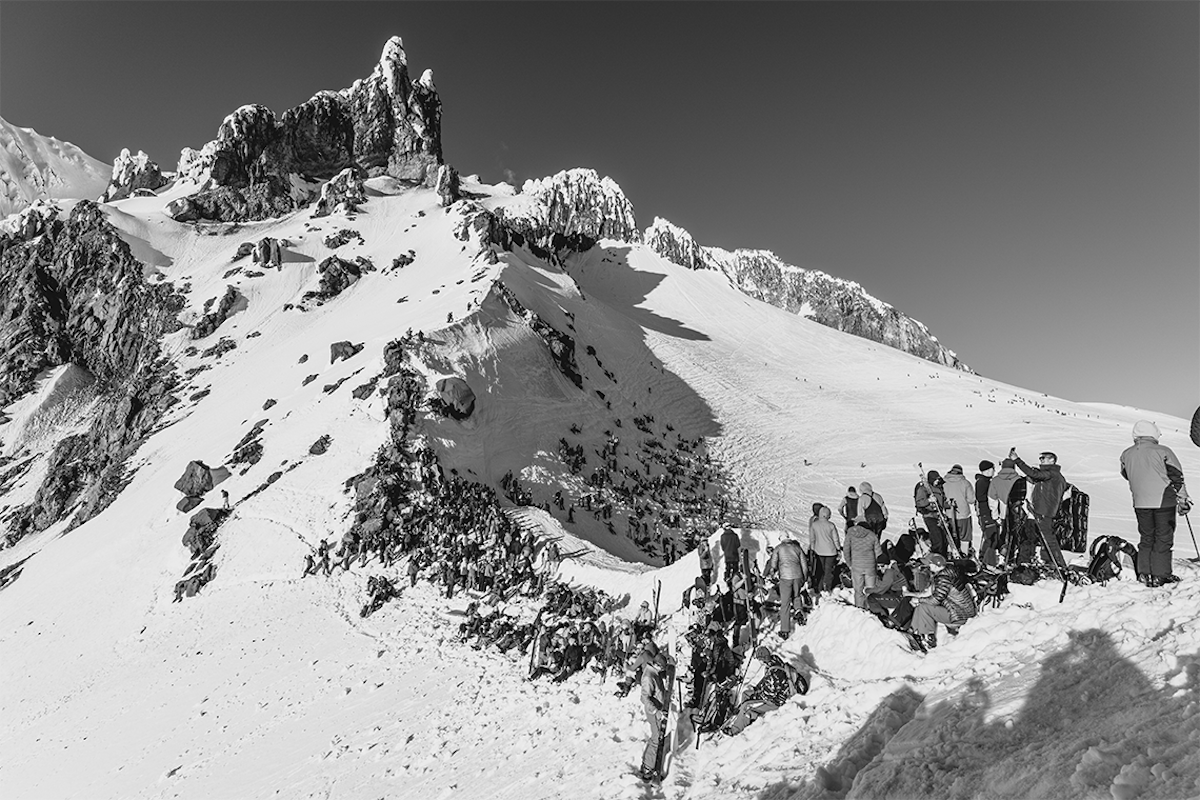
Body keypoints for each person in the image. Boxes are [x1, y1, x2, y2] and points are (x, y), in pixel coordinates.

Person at [1120, 420, 1189, 586]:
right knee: (1163, 538)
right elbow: (1176, 477)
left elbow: (1126, 474)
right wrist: (1183, 499)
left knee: (1146, 537)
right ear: (1153, 433)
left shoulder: (1126, 454)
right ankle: (1161, 574)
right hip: (1163, 501)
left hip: (1140, 503)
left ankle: (1144, 573)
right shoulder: (1163, 451)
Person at [721, 646, 807, 735]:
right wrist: (756, 691)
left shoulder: (775, 673)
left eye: (760, 659)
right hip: (771, 693)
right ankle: (742, 715)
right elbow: (766, 683)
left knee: (747, 706)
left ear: (764, 658)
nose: (760, 662)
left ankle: (735, 729)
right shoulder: (774, 661)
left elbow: (768, 695)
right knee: (746, 694)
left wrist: (754, 697)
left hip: (775, 701)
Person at [904, 553, 977, 652]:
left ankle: (928, 638)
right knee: (922, 605)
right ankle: (915, 631)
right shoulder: (949, 572)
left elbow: (936, 600)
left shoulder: (944, 578)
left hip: (959, 614)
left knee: (925, 607)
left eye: (931, 564)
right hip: (961, 610)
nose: (929, 566)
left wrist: (919, 599)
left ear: (936, 566)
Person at [1009, 448, 1068, 570]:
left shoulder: (1051, 474)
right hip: (1040, 512)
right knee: (1031, 537)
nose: (1040, 461)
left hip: (1043, 513)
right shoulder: (1054, 476)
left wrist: (1017, 460)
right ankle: (1026, 561)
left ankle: (1060, 565)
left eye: (1043, 458)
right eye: (1040, 458)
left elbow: (1033, 474)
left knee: (1048, 540)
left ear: (1052, 460)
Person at [638, 645, 672, 781]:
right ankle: (648, 767)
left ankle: (648, 763)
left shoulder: (654, 673)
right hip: (654, 712)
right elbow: (645, 698)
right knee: (656, 739)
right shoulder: (648, 677)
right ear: (657, 665)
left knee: (656, 738)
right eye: (662, 668)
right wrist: (657, 712)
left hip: (657, 710)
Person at [764, 534, 807, 638]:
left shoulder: (778, 548)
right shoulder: (797, 548)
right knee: (796, 595)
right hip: (798, 576)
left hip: (785, 578)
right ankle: (799, 611)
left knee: (785, 603)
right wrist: (803, 578)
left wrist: (771, 574)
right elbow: (804, 565)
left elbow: (773, 564)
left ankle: (785, 630)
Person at [865, 560, 913, 629]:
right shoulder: (895, 568)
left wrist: (867, 590)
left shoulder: (889, 572)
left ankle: (881, 617)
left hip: (899, 597)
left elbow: (882, 589)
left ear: (887, 564)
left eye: (882, 566)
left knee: (872, 598)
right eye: (878, 566)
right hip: (902, 595)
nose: (881, 568)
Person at [844, 522, 881, 608]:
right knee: (870, 590)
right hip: (870, 566)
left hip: (856, 566)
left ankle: (859, 608)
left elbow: (846, 551)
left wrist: (849, 564)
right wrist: (876, 565)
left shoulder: (850, 535)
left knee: (858, 590)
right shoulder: (873, 536)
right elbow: (878, 553)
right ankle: (870, 608)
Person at [809, 505, 842, 601]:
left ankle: (818, 588)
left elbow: (812, 538)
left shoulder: (814, 525)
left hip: (818, 551)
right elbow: (835, 539)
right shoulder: (831, 525)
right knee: (829, 571)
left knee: (820, 570)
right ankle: (827, 588)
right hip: (831, 551)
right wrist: (838, 548)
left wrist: (813, 548)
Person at [942, 465, 974, 557]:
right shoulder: (965, 483)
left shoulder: (944, 482)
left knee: (950, 536)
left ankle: (949, 554)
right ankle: (964, 555)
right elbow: (971, 500)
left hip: (948, 514)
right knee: (964, 537)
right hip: (963, 514)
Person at [914, 471, 949, 556]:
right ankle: (936, 557)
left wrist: (949, 504)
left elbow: (941, 502)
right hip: (929, 516)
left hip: (939, 515)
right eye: (936, 480)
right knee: (937, 538)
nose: (937, 482)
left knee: (944, 539)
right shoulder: (924, 489)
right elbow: (919, 502)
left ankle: (943, 557)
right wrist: (929, 500)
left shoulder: (939, 488)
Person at [975, 461, 1000, 566]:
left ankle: (988, 558)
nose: (994, 471)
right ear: (988, 470)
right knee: (990, 536)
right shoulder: (982, 482)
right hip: (986, 513)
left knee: (992, 536)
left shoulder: (986, 481)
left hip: (987, 512)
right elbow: (980, 497)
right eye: (993, 469)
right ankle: (984, 558)